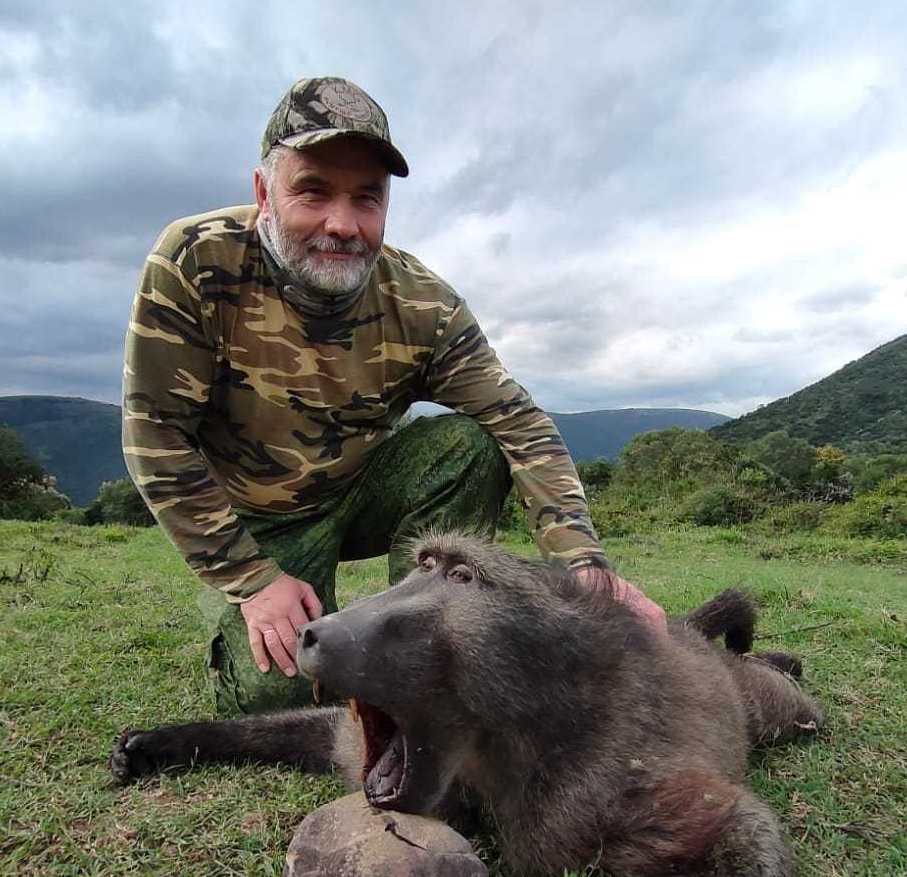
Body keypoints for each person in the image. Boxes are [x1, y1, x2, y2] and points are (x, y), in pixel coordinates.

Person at [122, 76, 662, 716]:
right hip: (257, 521)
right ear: (264, 192)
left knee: (467, 443)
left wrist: (584, 570)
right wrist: (253, 581)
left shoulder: (422, 302)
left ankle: (435, 626)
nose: (342, 225)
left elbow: (518, 421)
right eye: (313, 191)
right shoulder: (194, 259)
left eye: (367, 199)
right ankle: (295, 616)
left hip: (363, 490)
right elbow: (155, 431)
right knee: (278, 694)